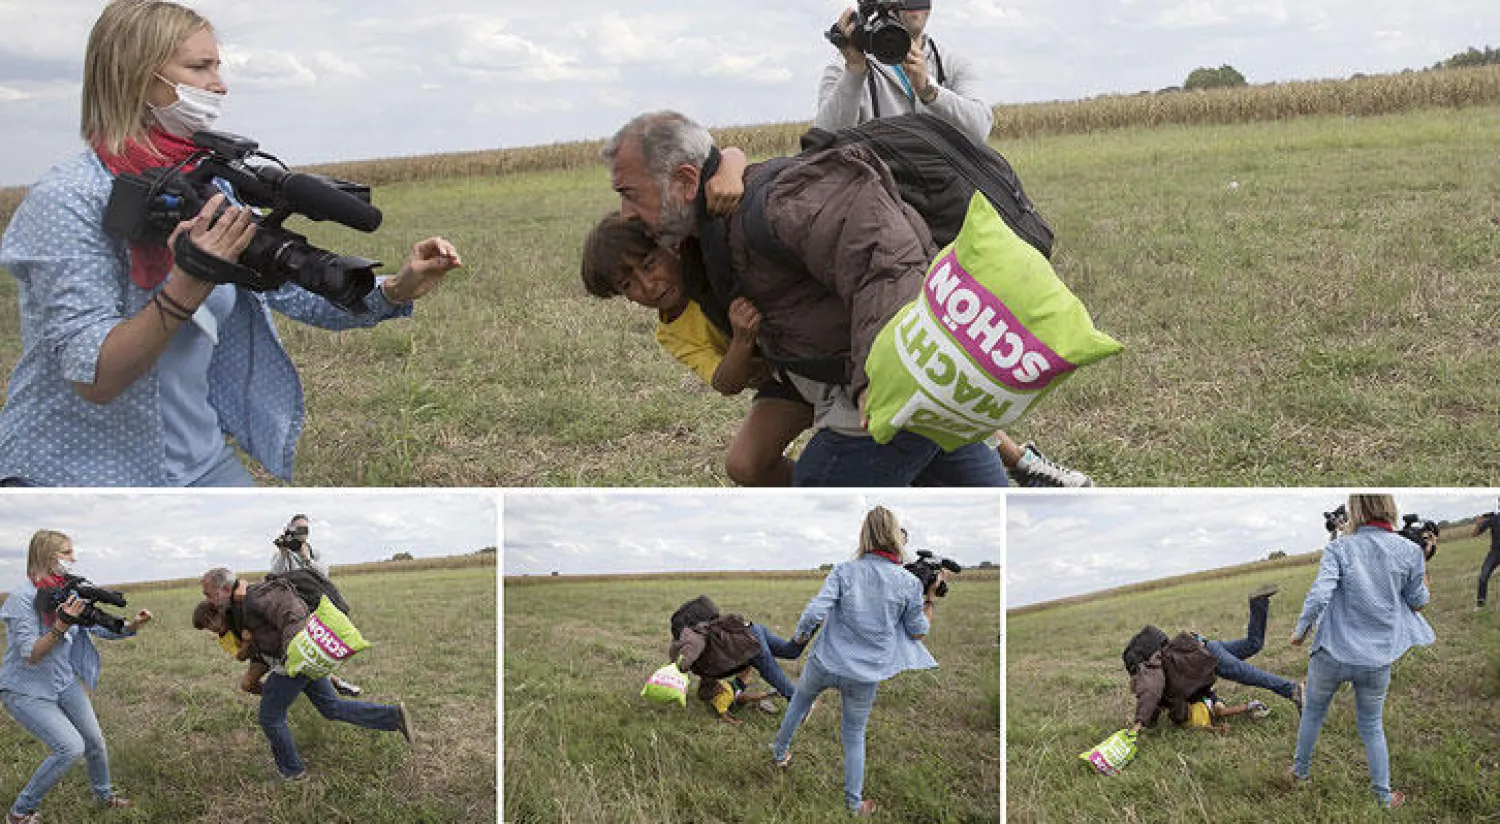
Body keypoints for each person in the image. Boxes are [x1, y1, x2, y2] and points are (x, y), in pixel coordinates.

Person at [0, 0, 464, 487]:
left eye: (217, 65)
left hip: (196, 460)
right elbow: (95, 378)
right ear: (135, 75)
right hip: (77, 472)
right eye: (200, 67)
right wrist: (192, 278)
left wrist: (394, 289)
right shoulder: (68, 198)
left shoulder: (207, 183)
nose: (220, 84)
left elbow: (285, 282)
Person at [605, 110, 1012, 486]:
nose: (625, 212)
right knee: (975, 491)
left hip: (888, 382)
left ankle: (1009, 461)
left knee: (822, 481)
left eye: (629, 193)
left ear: (686, 180)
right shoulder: (696, 234)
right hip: (867, 379)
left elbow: (884, 257)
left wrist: (876, 382)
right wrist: (729, 159)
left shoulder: (778, 200)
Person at [580, 212, 1090, 487]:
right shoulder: (671, 327)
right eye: (629, 285)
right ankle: (839, 488)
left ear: (666, 247)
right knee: (745, 465)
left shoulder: (708, 254)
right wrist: (741, 342)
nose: (647, 285)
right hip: (779, 372)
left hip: (817, 357)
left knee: (938, 417)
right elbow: (727, 382)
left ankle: (1019, 459)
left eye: (648, 265)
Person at [769, 506, 940, 815]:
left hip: (824, 661)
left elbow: (813, 613)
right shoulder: (908, 583)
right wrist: (929, 597)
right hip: (865, 674)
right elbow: (918, 633)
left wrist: (798, 640)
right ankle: (853, 804)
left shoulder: (844, 571)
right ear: (895, 537)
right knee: (854, 734)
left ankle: (779, 753)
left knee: (798, 704)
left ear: (865, 535)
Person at [1289, 493, 1434, 810]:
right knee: (1371, 725)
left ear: (1354, 510)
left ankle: (1299, 773)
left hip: (1331, 652)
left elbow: (1318, 595)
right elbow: (1418, 601)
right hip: (1377, 658)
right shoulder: (1410, 551)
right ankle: (1383, 796)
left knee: (1313, 713)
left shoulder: (1339, 548)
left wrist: (1300, 632)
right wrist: (1422, 563)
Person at [199, 566, 411, 781]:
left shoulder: (257, 596)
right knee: (331, 707)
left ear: (225, 588)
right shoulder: (238, 603)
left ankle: (292, 772)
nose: (208, 600)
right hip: (300, 660)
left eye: (208, 594)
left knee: (270, 717)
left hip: (292, 663)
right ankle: (393, 716)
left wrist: (293, 652)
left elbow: (292, 612)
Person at [0, 530, 153, 822]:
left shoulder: (69, 592)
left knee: (94, 741)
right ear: (47, 556)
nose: (74, 558)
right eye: (67, 552)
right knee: (70, 748)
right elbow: (31, 654)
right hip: (26, 689)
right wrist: (60, 625)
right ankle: (20, 813)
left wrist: (133, 625)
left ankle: (104, 796)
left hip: (62, 681)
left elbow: (96, 627)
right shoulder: (22, 599)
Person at [816, 1, 994, 159]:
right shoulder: (845, 66)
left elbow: (980, 130)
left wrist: (930, 91)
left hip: (945, 187)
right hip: (878, 189)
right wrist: (854, 73)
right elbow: (824, 142)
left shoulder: (951, 63)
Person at [1125, 584, 1302, 737]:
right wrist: (1150, 720)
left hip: (1211, 658)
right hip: (1207, 647)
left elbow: (1150, 690)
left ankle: (1292, 690)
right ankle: (1258, 602)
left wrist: (1138, 724)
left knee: (1250, 675)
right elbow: (1160, 700)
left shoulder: (1153, 666)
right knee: (1253, 644)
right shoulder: (1170, 664)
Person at [264, 513, 362, 695]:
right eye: (298, 529)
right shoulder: (282, 553)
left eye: (305, 529)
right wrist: (283, 553)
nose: (302, 533)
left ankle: (329, 683)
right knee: (302, 645)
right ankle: (334, 683)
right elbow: (273, 575)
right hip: (291, 604)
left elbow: (324, 576)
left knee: (315, 644)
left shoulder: (313, 550)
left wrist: (307, 559)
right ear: (290, 529)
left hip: (312, 602)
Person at [670, 608, 807, 704]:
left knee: (770, 672)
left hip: (748, 643)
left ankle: (800, 704)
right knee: (791, 651)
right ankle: (810, 626)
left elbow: (693, 649)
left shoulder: (694, 642)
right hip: (752, 629)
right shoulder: (704, 634)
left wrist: (680, 667)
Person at [1473, 500, 1500, 611]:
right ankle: (1480, 604)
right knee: (1483, 577)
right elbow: (1474, 534)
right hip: (1494, 553)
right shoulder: (1493, 519)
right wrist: (1479, 523)